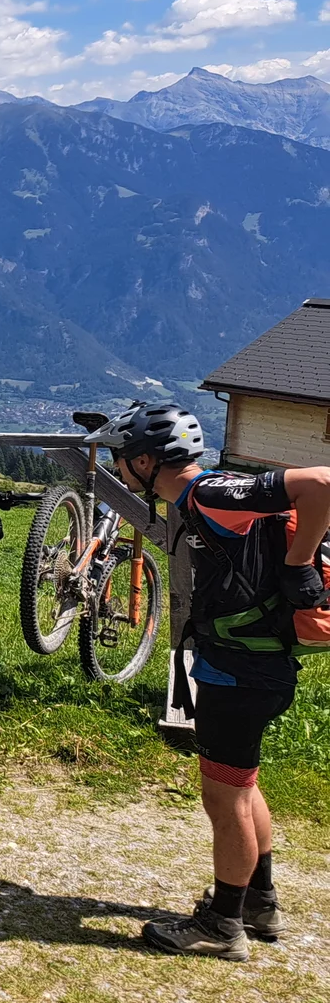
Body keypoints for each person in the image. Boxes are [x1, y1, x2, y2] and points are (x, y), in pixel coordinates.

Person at [89, 402, 330, 959]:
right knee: (242, 785)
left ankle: (222, 926)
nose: (121, 472)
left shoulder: (210, 494)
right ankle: (259, 902)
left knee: (225, 798)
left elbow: (319, 483)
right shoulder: (208, 499)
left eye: (124, 462)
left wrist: (299, 565)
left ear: (148, 461)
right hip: (257, 664)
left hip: (240, 670)